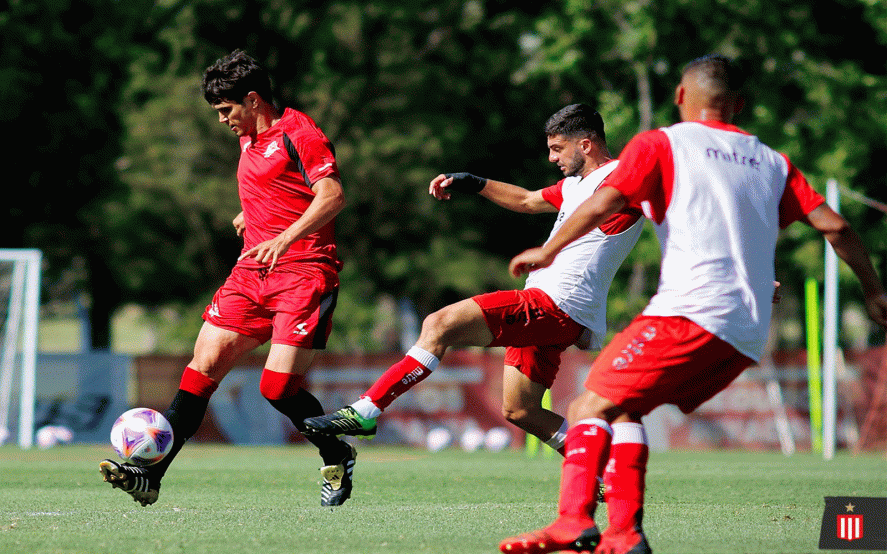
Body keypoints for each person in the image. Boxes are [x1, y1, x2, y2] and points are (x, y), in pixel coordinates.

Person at [499, 55, 887, 554]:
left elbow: (604, 202)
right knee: (622, 411)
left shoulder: (662, 143)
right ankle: (624, 536)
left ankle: (574, 521)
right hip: (746, 331)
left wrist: (548, 250)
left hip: (689, 313)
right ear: (740, 105)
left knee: (586, 402)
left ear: (681, 98)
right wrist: (874, 292)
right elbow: (838, 228)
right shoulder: (772, 161)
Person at [302, 104, 645, 463]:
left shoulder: (621, 177)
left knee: (439, 323)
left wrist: (548, 251)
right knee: (521, 410)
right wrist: (474, 182)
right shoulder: (579, 184)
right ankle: (604, 468)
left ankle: (365, 411)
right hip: (556, 307)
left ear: (586, 145)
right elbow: (528, 200)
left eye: (557, 148)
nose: (550, 157)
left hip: (557, 302)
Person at [99, 49, 358, 508]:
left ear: (254, 100)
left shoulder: (300, 132)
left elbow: (332, 196)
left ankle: (337, 452)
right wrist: (252, 215)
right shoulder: (248, 138)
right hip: (250, 272)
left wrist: (284, 236)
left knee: (277, 388)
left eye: (226, 110)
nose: (222, 120)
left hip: (304, 273)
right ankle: (151, 476)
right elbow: (278, 187)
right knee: (202, 368)